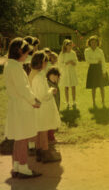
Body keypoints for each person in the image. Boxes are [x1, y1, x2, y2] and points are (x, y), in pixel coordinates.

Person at [3, 37, 42, 178]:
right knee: (23, 138)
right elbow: (23, 89)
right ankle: (24, 168)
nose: (27, 56)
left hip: (16, 105)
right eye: (26, 53)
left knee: (19, 138)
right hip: (22, 106)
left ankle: (17, 167)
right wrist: (34, 101)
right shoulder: (15, 67)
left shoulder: (11, 65)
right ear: (19, 51)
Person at [30, 51, 61, 163]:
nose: (47, 64)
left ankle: (39, 152)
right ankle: (45, 152)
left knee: (39, 130)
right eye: (46, 62)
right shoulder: (39, 78)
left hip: (38, 106)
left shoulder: (35, 76)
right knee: (43, 130)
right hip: (43, 107)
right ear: (42, 63)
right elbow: (43, 95)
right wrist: (51, 90)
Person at [85, 35, 109, 108]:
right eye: (92, 42)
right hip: (92, 69)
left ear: (97, 43)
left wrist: (104, 72)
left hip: (100, 69)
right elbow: (88, 61)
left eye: (95, 42)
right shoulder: (87, 51)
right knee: (93, 87)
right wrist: (96, 61)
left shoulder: (100, 51)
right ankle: (94, 102)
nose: (94, 44)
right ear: (89, 43)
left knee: (102, 86)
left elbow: (103, 61)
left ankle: (103, 101)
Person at [58, 39, 78, 108]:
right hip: (65, 72)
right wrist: (67, 63)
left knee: (73, 86)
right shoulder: (62, 54)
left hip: (72, 72)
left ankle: (74, 101)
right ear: (65, 46)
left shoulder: (73, 53)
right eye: (68, 45)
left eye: (71, 45)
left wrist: (73, 63)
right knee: (66, 87)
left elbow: (76, 62)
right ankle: (67, 102)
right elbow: (60, 63)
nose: (70, 47)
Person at [46, 67, 61, 145]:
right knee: (51, 123)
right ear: (48, 76)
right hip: (50, 106)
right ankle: (50, 138)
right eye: (53, 76)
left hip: (55, 106)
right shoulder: (48, 83)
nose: (54, 78)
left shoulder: (55, 84)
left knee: (53, 122)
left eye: (56, 76)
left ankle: (51, 137)